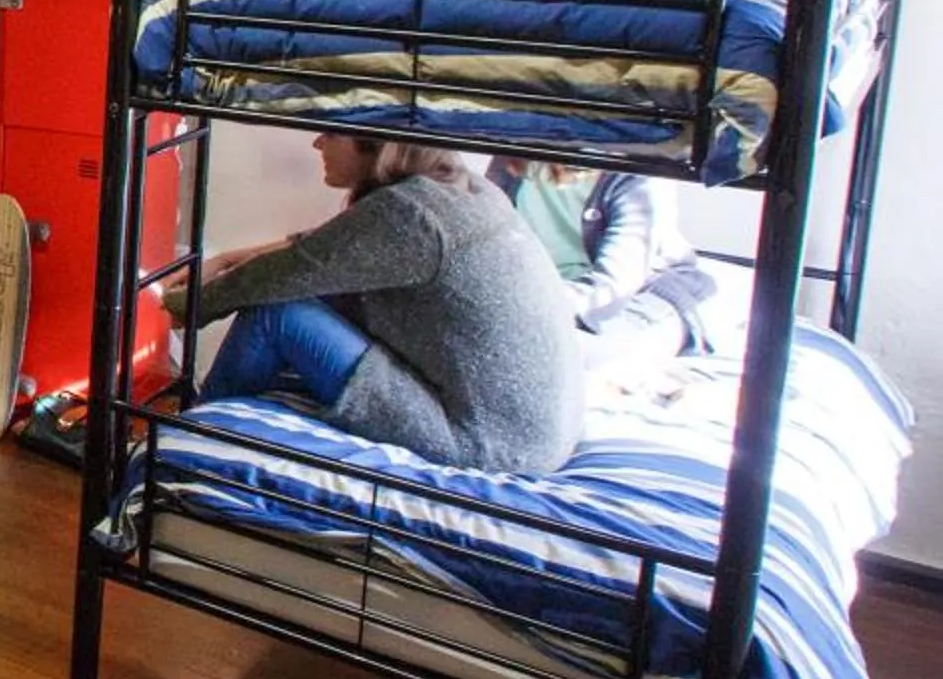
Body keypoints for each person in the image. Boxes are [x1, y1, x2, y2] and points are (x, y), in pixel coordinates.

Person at [165, 133, 581, 472]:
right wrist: (225, 260)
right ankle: (209, 420)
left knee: (276, 312)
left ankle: (182, 447)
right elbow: (322, 251)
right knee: (307, 296)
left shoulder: (408, 214)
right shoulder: (461, 190)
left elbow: (289, 274)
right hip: (537, 433)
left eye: (331, 132)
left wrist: (183, 306)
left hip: (489, 443)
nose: (316, 143)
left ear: (377, 143)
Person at [487, 157, 721, 364]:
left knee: (586, 350)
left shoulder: (638, 176)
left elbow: (611, 289)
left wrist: (519, 308)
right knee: (487, 340)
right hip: (552, 292)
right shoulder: (513, 156)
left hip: (645, 290)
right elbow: (485, 247)